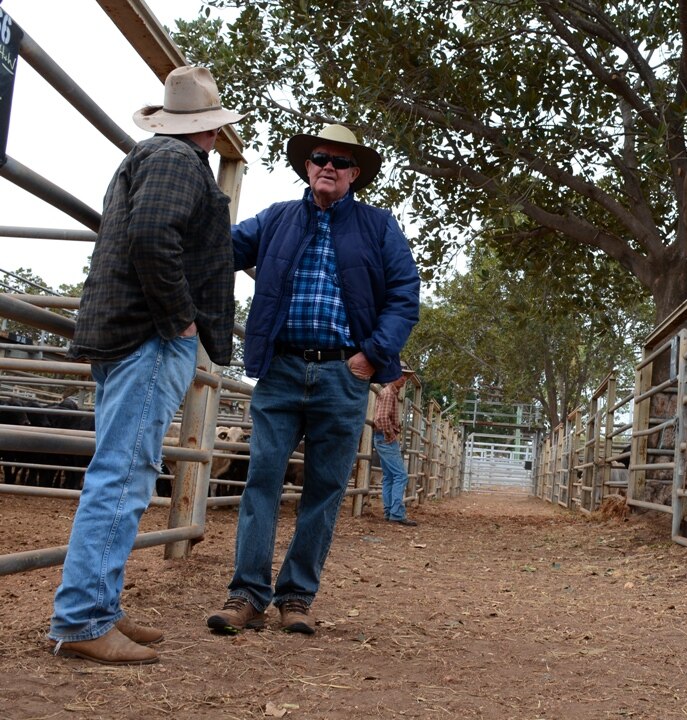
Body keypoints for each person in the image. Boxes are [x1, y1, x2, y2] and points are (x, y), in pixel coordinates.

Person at [49, 66, 244, 665]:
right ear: (209, 129)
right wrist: (182, 318)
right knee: (126, 473)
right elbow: (155, 234)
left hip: (126, 330)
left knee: (121, 469)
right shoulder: (179, 161)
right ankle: (82, 621)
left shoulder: (150, 157)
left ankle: (98, 608)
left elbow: (146, 231)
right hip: (148, 335)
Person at [207, 123, 420, 635]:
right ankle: (247, 596)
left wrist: (370, 357)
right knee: (261, 479)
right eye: (320, 157)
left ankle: (297, 596)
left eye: (340, 162)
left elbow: (404, 295)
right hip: (280, 369)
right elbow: (219, 252)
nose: (328, 166)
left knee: (323, 489)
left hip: (343, 374)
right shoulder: (276, 219)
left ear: (355, 175)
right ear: (307, 167)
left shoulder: (379, 227)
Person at [373, 363, 417, 526]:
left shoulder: (389, 393)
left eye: (406, 376)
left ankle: (390, 511)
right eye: (402, 375)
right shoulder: (389, 394)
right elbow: (382, 418)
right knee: (400, 475)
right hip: (385, 438)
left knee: (390, 477)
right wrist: (391, 435)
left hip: (381, 437)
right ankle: (396, 513)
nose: (404, 379)